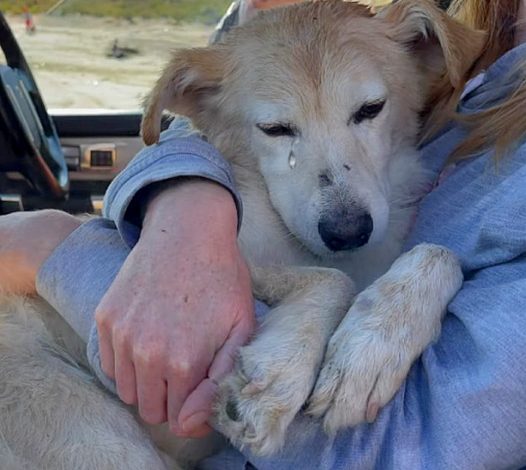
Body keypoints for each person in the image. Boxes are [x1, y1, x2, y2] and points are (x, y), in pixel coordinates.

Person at [1, 0, 526, 467]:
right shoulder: (465, 51)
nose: (343, 208)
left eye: (365, 111)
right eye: (279, 129)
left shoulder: (421, 49)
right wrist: (186, 196)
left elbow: (402, 446)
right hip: (39, 359)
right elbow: (199, 130)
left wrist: (54, 249)